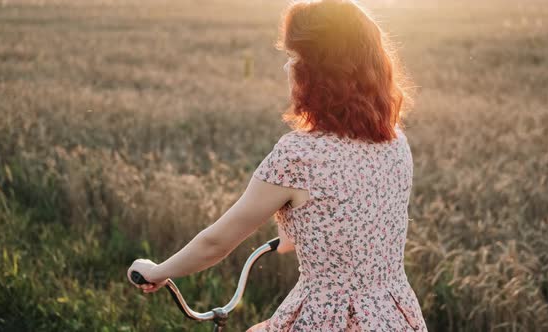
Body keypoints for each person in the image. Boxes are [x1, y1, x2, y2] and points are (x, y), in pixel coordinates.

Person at [127, 0, 427, 330]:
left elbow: (216, 243)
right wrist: (297, 232)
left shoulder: (299, 155)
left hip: (328, 318)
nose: (287, 68)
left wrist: (158, 271)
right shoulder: (395, 140)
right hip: (392, 313)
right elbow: (355, 216)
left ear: (320, 72)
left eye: (294, 58)